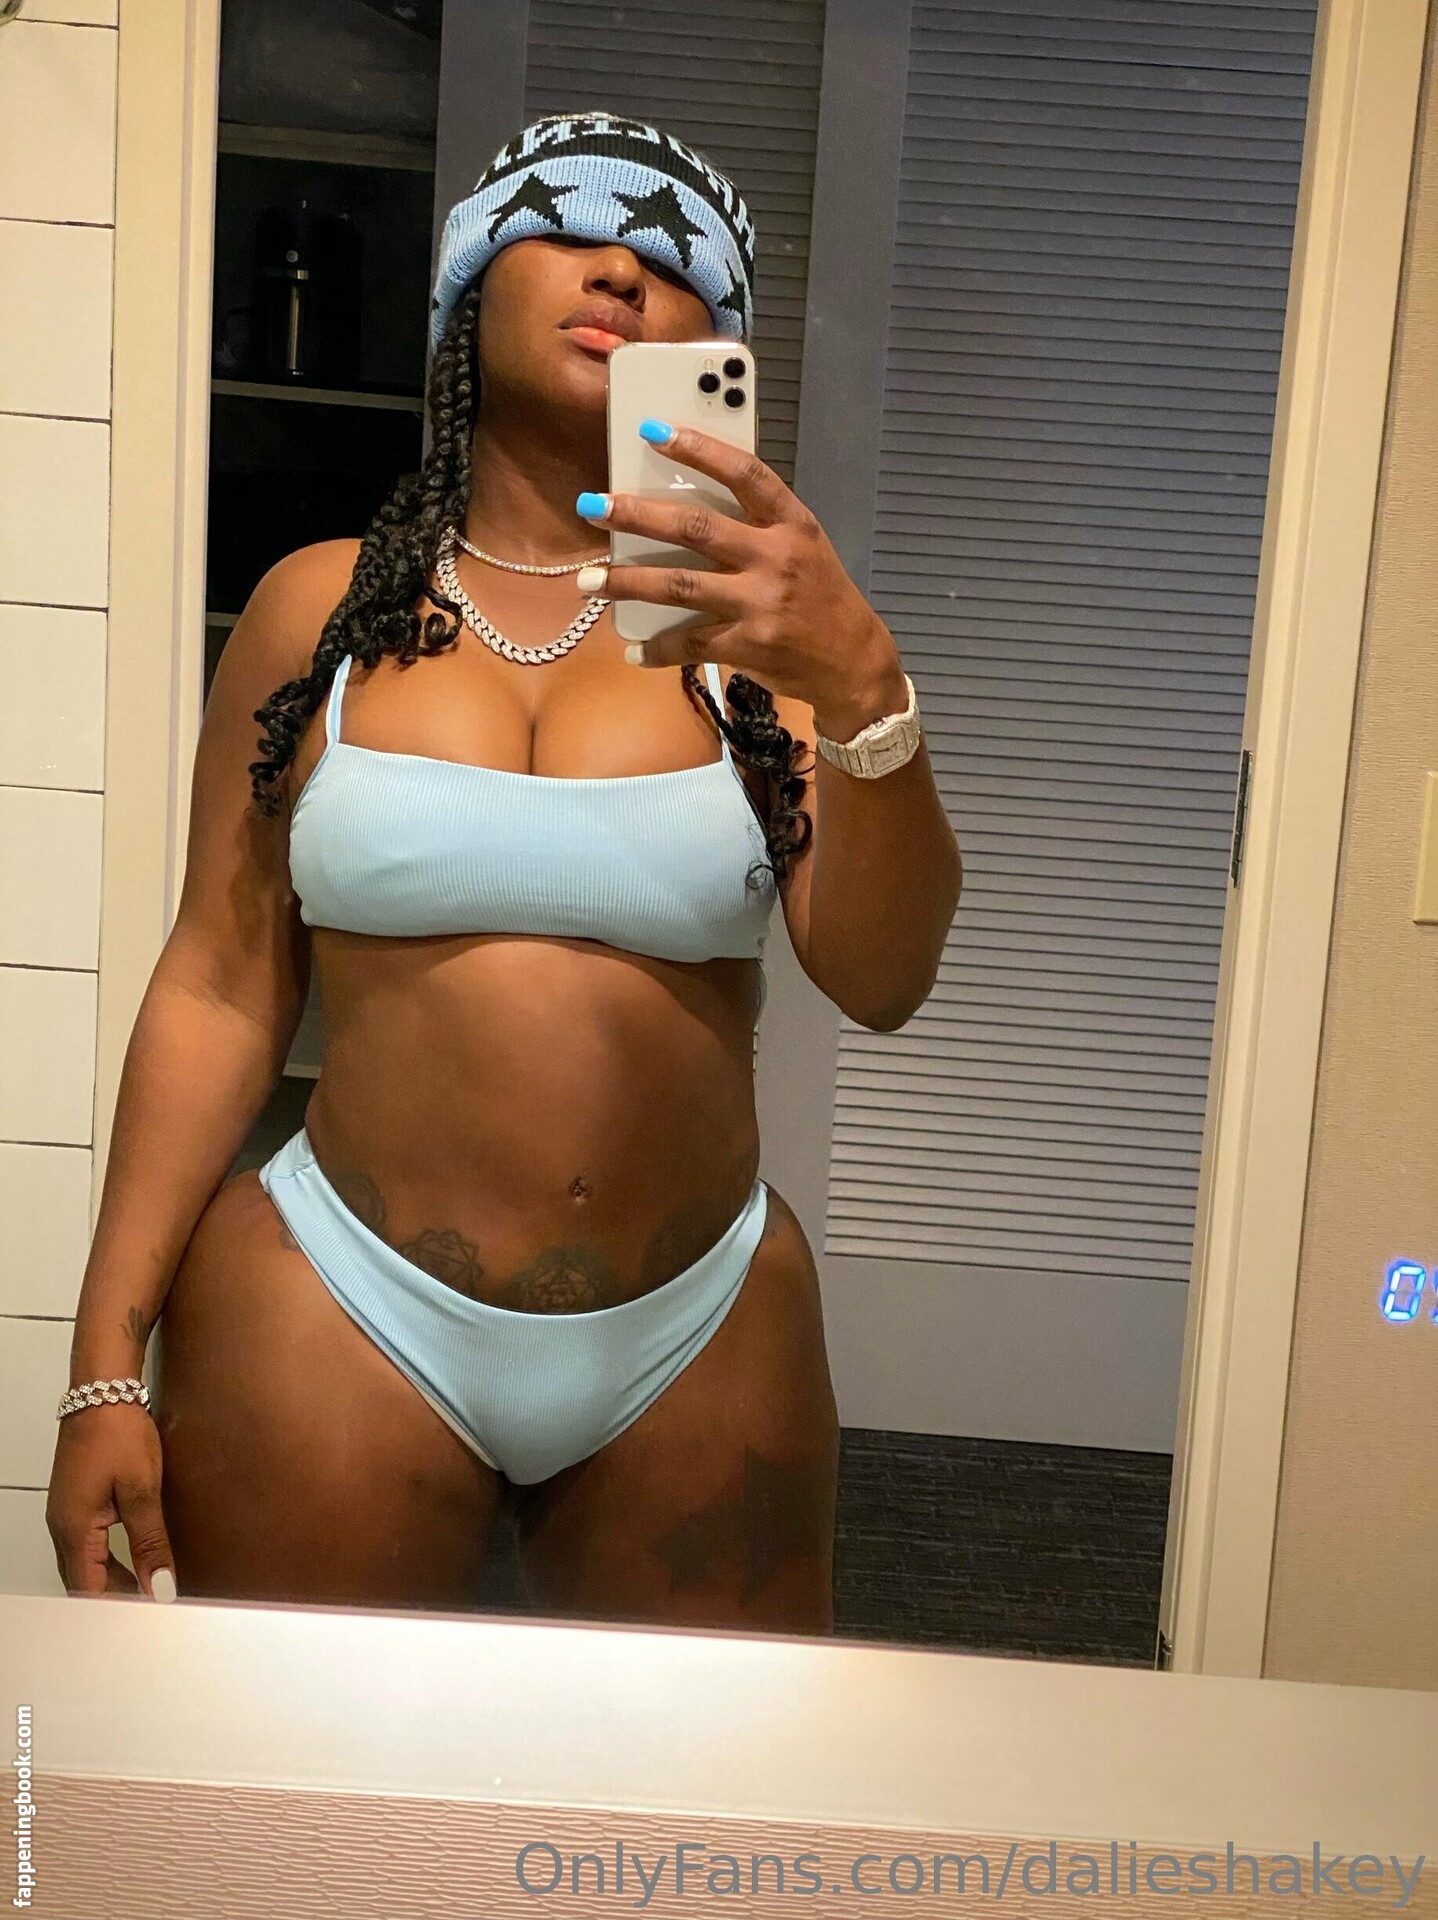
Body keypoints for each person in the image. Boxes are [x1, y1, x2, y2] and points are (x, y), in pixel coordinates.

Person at [46, 111, 962, 1633]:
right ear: (468, 293)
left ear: (713, 352)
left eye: (675, 259)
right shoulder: (320, 613)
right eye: (567, 224)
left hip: (699, 1317)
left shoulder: (761, 645)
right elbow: (216, 984)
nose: (621, 265)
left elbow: (883, 980)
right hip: (331, 1300)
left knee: (700, 1773)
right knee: (297, 1764)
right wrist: (101, 1364)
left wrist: (865, 684)